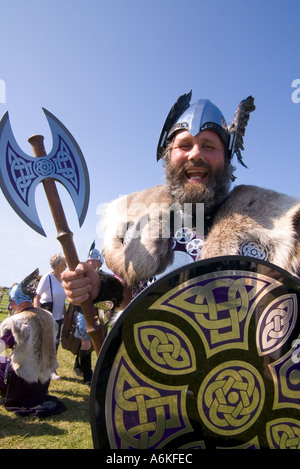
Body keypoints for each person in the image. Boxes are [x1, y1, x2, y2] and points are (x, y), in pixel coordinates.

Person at [61, 90, 300, 331]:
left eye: (209, 146)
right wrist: (98, 286)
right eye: (184, 145)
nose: (195, 154)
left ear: (226, 158)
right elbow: (128, 294)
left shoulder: (280, 224)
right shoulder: (137, 217)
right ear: (168, 156)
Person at [0, 269, 66, 417]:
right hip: (43, 379)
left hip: (23, 379)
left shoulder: (16, 321)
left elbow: (2, 345)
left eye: (12, 302)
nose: (10, 306)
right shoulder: (49, 317)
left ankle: (9, 393)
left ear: (21, 301)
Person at [72, 245, 105, 385]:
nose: (92, 263)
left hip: (97, 313)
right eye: (90, 260)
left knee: (89, 343)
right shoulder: (81, 274)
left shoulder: (103, 277)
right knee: (86, 341)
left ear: (99, 263)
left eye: (94, 261)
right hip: (81, 311)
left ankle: (78, 365)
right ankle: (88, 376)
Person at [34, 253, 67, 355]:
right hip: (47, 317)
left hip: (59, 318)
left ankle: (51, 367)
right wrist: (39, 314)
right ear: (57, 264)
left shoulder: (63, 279)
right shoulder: (47, 278)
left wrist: (65, 316)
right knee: (44, 342)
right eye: (64, 264)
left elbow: (62, 299)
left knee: (55, 343)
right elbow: (37, 296)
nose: (66, 267)